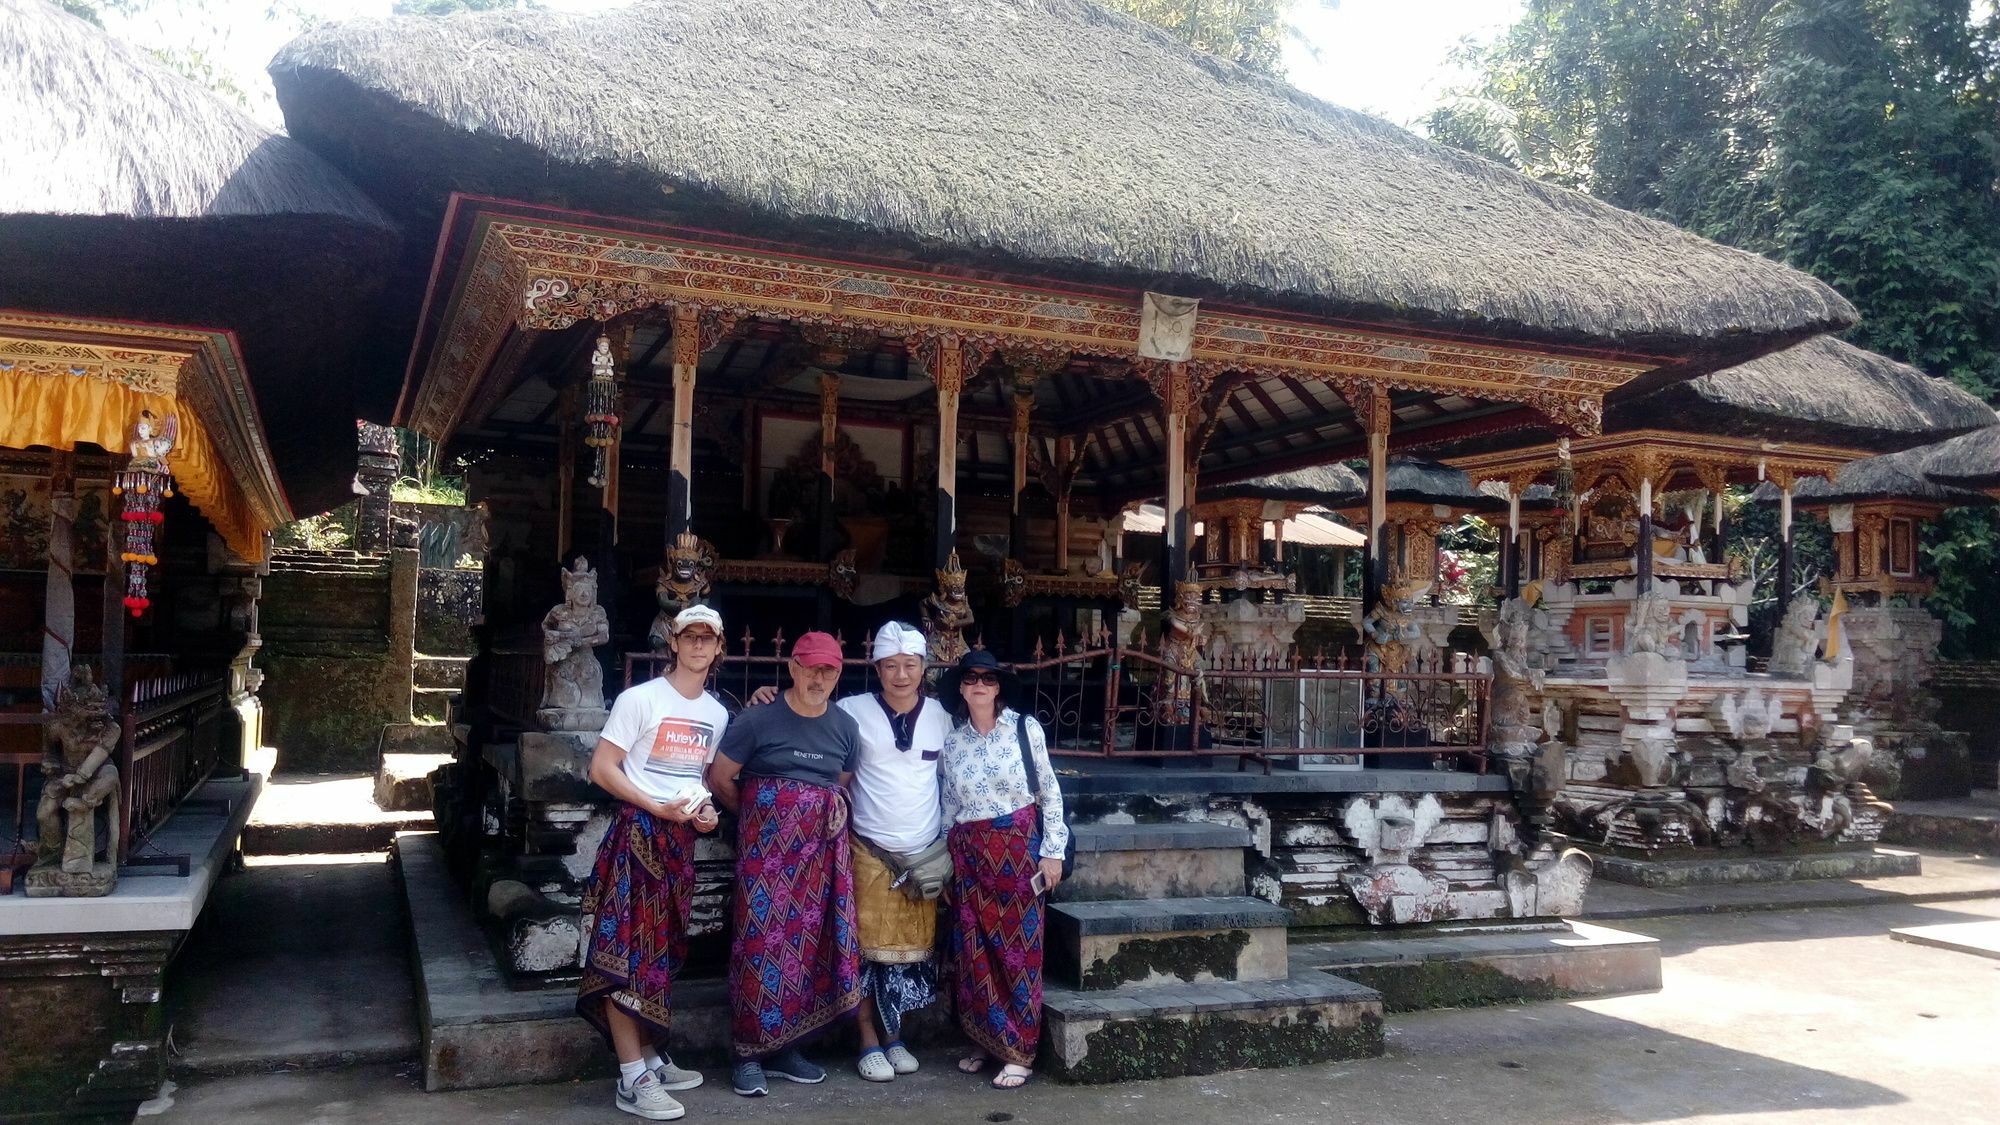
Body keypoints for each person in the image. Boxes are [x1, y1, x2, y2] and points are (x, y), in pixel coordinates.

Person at [754, 621, 951, 1082]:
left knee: (905, 957)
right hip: (866, 850)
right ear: (876, 668)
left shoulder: (943, 717)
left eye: (910, 665)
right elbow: (806, 714)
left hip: (921, 857)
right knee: (861, 953)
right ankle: (866, 1041)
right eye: (890, 666)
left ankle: (895, 1036)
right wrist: (768, 696)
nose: (900, 674)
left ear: (924, 668)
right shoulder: (851, 711)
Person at [576, 604, 729, 1121]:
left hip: (679, 843)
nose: (699, 646)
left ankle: (649, 1055)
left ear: (718, 647)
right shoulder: (639, 699)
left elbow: (697, 781)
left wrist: (704, 811)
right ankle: (631, 1078)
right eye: (690, 636)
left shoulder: (716, 713)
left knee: (659, 954)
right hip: (637, 838)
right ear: (674, 642)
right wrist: (652, 805)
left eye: (708, 638)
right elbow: (602, 767)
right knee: (626, 954)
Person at [706, 631, 864, 1097]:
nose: (819, 677)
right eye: (811, 667)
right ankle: (748, 1053)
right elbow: (721, 777)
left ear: (839, 674)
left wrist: (811, 813)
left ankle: (788, 1047)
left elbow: (839, 783)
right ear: (792, 667)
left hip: (817, 860)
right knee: (757, 947)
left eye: (829, 670)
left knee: (805, 950)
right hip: (765, 859)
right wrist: (764, 817)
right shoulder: (757, 719)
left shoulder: (845, 728)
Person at [937, 648, 1068, 1089]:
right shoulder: (953, 742)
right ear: (960, 686)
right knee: (973, 955)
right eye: (971, 677)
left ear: (998, 687)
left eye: (988, 679)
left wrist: (1053, 851)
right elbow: (948, 807)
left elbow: (1048, 793)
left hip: (1018, 853)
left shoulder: (1024, 729)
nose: (979, 685)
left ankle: (1019, 1051)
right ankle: (985, 1040)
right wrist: (944, 864)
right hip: (970, 857)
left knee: (1018, 954)